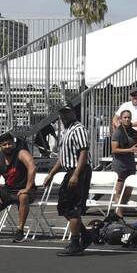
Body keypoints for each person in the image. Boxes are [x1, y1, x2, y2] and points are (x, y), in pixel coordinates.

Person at [48, 105, 92, 256]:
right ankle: (85, 235)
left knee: (72, 208)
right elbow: (63, 157)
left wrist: (76, 174)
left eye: (67, 112)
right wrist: (51, 174)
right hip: (70, 169)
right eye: (62, 113)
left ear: (74, 112)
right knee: (64, 207)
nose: (64, 116)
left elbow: (83, 152)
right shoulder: (67, 130)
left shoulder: (78, 129)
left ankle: (75, 243)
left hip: (78, 169)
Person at [110, 109, 137, 210]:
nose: (127, 119)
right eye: (125, 117)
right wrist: (131, 149)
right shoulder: (118, 132)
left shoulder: (133, 132)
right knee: (119, 191)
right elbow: (114, 150)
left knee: (128, 192)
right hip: (120, 165)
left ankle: (120, 212)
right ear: (120, 119)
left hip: (130, 164)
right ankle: (118, 214)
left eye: (129, 117)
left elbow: (136, 146)